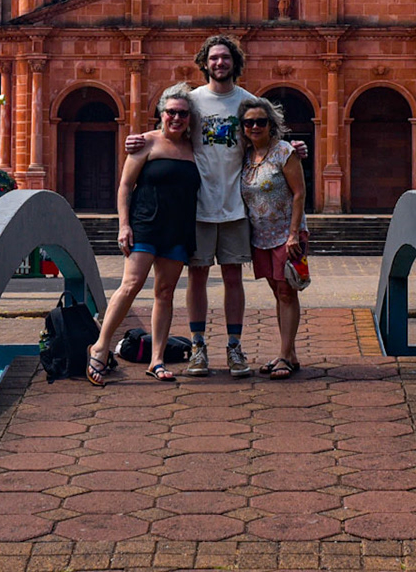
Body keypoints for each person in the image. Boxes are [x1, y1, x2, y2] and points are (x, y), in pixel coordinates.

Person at [128, 34, 256, 376]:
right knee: (197, 276)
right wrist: (141, 139)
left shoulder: (248, 102)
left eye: (225, 58)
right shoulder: (193, 101)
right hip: (196, 206)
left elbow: (267, 141)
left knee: (232, 277)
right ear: (204, 63)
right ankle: (198, 347)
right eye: (213, 58)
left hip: (235, 205)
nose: (219, 63)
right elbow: (169, 127)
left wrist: (294, 150)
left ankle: (234, 348)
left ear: (235, 63)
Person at [89, 84, 201, 385]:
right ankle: (100, 347)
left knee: (165, 293)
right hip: (145, 223)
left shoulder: (195, 148)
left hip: (177, 228)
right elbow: (125, 185)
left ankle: (157, 359)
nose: (176, 118)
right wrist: (123, 225)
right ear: (161, 114)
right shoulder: (145, 144)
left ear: (190, 118)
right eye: (171, 112)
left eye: (183, 114)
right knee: (131, 284)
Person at [238, 96, 307, 378]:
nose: (255, 126)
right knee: (278, 293)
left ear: (271, 124)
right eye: (249, 122)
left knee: (286, 292)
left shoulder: (284, 152)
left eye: (260, 121)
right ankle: (289, 353)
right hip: (260, 236)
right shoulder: (245, 156)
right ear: (242, 127)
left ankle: (283, 356)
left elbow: (300, 192)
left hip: (285, 235)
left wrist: (294, 235)